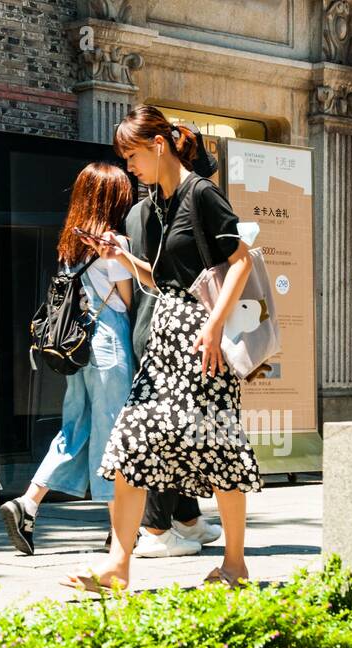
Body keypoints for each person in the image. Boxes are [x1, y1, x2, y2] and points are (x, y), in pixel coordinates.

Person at [60, 104, 261, 591]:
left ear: (158, 145)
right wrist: (123, 257)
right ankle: (117, 565)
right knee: (130, 444)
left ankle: (235, 563)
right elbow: (161, 279)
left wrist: (213, 328)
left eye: (132, 156)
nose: (129, 167)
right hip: (165, 337)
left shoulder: (201, 194)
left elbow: (240, 263)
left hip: (203, 339)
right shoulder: (148, 210)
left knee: (218, 447)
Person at [0, 161, 137, 558]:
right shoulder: (115, 243)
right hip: (109, 345)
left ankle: (28, 503)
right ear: (114, 199)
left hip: (76, 348)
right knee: (115, 434)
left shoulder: (70, 245)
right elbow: (126, 302)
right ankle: (120, 531)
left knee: (74, 428)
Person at [125, 147, 223, 558]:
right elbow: (172, 273)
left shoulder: (143, 210)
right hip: (169, 328)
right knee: (168, 429)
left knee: (185, 427)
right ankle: (153, 527)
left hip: (157, 324)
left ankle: (185, 518)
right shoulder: (162, 209)